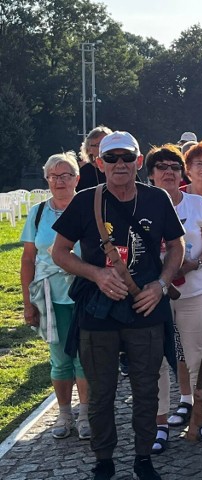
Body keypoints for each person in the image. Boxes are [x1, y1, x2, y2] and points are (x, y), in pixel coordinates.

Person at [51, 131, 185, 480]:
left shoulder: (156, 199)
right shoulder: (85, 201)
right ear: (100, 163)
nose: (120, 164)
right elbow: (59, 252)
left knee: (146, 389)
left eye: (127, 158)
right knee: (100, 391)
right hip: (99, 308)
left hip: (145, 305)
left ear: (139, 162)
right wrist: (95, 274)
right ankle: (104, 460)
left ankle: (143, 458)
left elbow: (176, 247)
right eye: (112, 158)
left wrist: (161, 284)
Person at [144, 144, 202, 453]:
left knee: (200, 357)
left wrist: (194, 264)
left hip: (194, 290)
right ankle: (160, 423)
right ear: (150, 175)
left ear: (182, 173)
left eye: (174, 167)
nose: (169, 172)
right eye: (161, 167)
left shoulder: (198, 205)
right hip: (154, 295)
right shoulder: (141, 205)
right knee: (158, 361)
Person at [20, 152, 90, 440]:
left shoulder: (90, 207)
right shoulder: (38, 213)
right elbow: (27, 260)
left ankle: (85, 413)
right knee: (59, 359)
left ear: (77, 178)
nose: (60, 181)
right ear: (47, 179)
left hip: (86, 292)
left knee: (84, 359)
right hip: (51, 296)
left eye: (66, 175)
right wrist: (27, 303)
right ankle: (64, 414)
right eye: (54, 176)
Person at [77, 126, 112, 192]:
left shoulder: (123, 167)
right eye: (99, 145)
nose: (104, 148)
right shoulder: (83, 174)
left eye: (107, 144)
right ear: (89, 149)